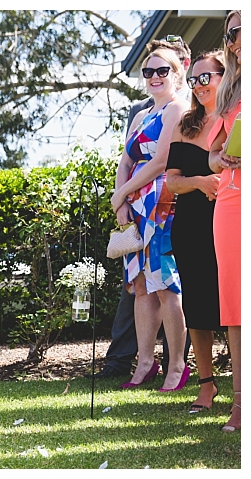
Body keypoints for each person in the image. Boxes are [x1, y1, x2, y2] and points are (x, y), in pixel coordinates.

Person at [93, 36, 193, 379]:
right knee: (139, 286)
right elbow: (126, 161)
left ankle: (176, 366)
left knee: (165, 285)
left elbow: (161, 161)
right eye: (148, 71)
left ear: (177, 73)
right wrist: (121, 201)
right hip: (135, 206)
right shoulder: (140, 115)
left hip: (163, 203)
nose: (154, 76)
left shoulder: (178, 109)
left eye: (162, 70)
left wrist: (123, 193)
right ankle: (145, 364)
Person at [165, 50, 226, 413]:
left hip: (229, 223)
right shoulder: (184, 125)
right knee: (197, 307)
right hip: (189, 226)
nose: (199, 85)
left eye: (206, 77)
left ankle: (241, 390)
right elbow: (171, 181)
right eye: (194, 79)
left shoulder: (236, 119)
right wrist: (200, 182)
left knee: (233, 305)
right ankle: (206, 385)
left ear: (225, 76)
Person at [207, 9, 240, 433]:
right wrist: (222, 159)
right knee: (235, 306)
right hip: (232, 201)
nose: (235, 39)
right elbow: (212, 155)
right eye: (230, 33)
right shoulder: (229, 91)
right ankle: (240, 404)